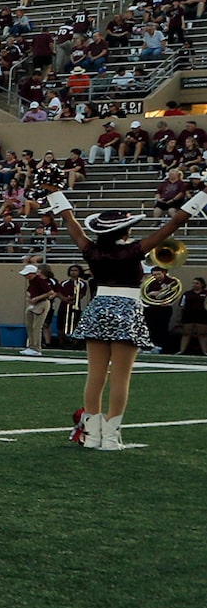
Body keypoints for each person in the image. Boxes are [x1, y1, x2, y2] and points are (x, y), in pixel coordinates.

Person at [44, 183, 200, 448]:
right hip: (127, 309)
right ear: (125, 230)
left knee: (95, 375)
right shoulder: (133, 250)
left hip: (98, 306)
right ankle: (112, 436)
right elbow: (173, 224)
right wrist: (203, 195)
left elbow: (70, 221)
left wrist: (53, 192)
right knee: (121, 376)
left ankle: (92, 435)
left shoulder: (90, 249)